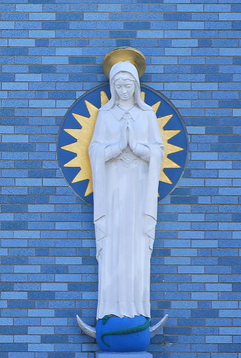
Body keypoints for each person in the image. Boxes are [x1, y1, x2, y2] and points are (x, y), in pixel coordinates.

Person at [88, 60, 164, 320]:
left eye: (128, 84)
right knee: (114, 244)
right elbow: (95, 150)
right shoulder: (105, 115)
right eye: (118, 85)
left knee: (136, 244)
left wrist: (140, 149)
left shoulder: (147, 115)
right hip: (114, 192)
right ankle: (110, 309)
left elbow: (158, 150)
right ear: (112, 86)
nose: (123, 89)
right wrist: (119, 146)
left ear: (136, 86)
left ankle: (138, 310)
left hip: (139, 190)